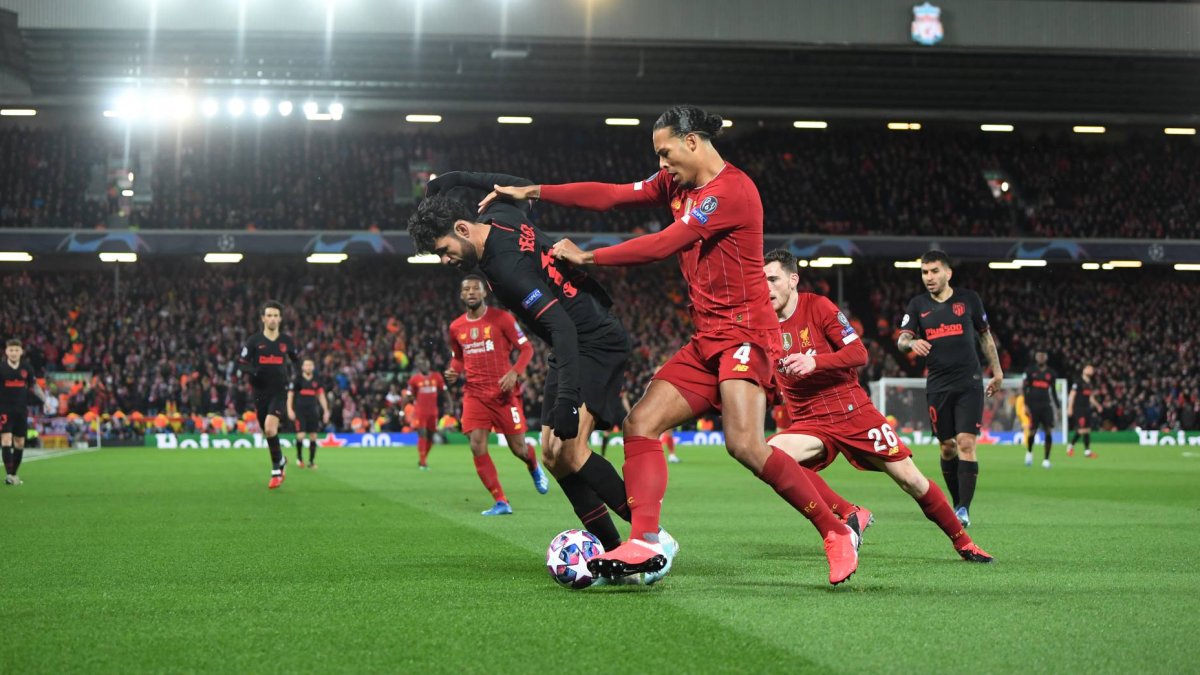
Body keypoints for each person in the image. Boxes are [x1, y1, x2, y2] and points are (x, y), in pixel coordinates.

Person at [489, 104, 859, 585]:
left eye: (665, 153)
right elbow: (613, 196)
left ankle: (835, 531)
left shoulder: (732, 191)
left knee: (744, 445)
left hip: (747, 333)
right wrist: (534, 190)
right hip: (708, 337)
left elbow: (664, 244)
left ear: (692, 142)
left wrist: (589, 256)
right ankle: (644, 541)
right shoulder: (676, 184)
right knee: (641, 423)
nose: (660, 165)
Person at [409, 170, 676, 585]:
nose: (445, 262)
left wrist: (568, 400)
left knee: (571, 451)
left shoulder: (505, 269)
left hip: (593, 339)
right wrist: (458, 179)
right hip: (571, 343)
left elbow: (562, 330)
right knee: (552, 456)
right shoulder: (499, 211)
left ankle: (653, 538)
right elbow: (516, 185)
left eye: (444, 250)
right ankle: (613, 554)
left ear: (462, 228)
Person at [762, 251, 993, 563]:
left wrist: (814, 361)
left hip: (852, 411)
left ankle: (963, 542)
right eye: (762, 280)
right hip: (810, 420)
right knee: (771, 454)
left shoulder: (817, 306)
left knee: (910, 479)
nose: (767, 288)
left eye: (773, 279)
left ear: (793, 280)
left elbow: (859, 353)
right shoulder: (760, 323)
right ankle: (849, 513)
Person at [897, 250, 1003, 527]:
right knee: (947, 447)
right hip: (938, 385)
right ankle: (957, 502)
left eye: (934, 271)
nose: (928, 277)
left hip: (969, 382)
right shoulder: (918, 305)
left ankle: (963, 509)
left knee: (966, 443)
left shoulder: (969, 300)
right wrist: (910, 343)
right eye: (924, 272)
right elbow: (901, 340)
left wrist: (998, 371)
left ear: (948, 273)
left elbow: (985, 336)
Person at [446, 274, 550, 516]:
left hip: (503, 394)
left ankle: (533, 464)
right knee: (476, 445)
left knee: (518, 449)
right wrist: (454, 371)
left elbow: (527, 348)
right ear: (461, 295)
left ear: (484, 293)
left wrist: (515, 372)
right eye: (466, 289)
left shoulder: (502, 319)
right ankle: (501, 501)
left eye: (475, 288)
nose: (471, 292)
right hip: (474, 394)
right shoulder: (456, 327)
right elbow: (459, 357)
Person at [236, 301, 300, 489]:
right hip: (260, 392)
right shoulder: (254, 341)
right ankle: (280, 460)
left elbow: (297, 361)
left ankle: (275, 471)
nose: (272, 319)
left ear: (280, 318)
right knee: (267, 431)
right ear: (263, 318)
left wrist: (294, 377)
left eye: (275, 315)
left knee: (271, 429)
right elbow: (241, 363)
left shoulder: (286, 342)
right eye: (269, 315)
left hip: (279, 392)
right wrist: (253, 371)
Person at [1, 339, 47, 486]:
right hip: (4, 410)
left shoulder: (26, 367)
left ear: (21, 352)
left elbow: (33, 385)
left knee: (19, 443)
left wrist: (45, 400)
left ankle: (14, 473)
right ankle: (9, 475)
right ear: (6, 352)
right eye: (11, 350)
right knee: (6, 440)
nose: (13, 353)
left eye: (16, 350)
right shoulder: (1, 368)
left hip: (21, 410)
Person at [405, 358, 447, 470]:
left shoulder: (437, 377)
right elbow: (409, 394)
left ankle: (423, 459)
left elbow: (444, 392)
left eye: (425, 362)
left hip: (433, 412)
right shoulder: (414, 379)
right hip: (420, 412)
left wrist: (451, 405)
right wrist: (403, 409)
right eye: (420, 364)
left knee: (430, 437)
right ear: (418, 367)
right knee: (422, 434)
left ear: (429, 364)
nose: (423, 365)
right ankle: (423, 463)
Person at [287, 357, 330, 469]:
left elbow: (321, 396)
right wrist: (289, 409)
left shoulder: (317, 379)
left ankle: (311, 461)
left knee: (313, 436)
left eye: (310, 365)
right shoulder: (297, 379)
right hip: (300, 410)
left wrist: (326, 410)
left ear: (313, 367)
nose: (308, 367)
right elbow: (290, 395)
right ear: (302, 367)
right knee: (301, 435)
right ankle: (300, 458)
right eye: (306, 365)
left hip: (313, 410)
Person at [1022, 349, 1058, 468]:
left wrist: (1058, 407)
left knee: (1048, 431)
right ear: (1036, 357)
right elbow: (1025, 389)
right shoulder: (1030, 371)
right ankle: (1029, 452)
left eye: (1043, 355)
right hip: (1033, 406)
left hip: (1046, 406)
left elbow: (1053, 391)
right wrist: (1026, 405)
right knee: (1032, 431)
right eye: (1039, 355)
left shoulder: (1051, 373)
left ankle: (1046, 460)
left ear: (1046, 357)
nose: (1041, 357)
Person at [1067, 364, 1099, 458]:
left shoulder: (1090, 383)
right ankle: (1070, 446)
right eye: (1088, 368)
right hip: (1078, 408)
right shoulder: (1078, 382)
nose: (1090, 370)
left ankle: (1087, 451)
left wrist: (1097, 405)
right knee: (1082, 430)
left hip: (1087, 409)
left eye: (1092, 369)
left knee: (1087, 430)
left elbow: (1090, 397)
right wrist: (1070, 408)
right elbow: (1072, 395)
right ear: (1083, 370)